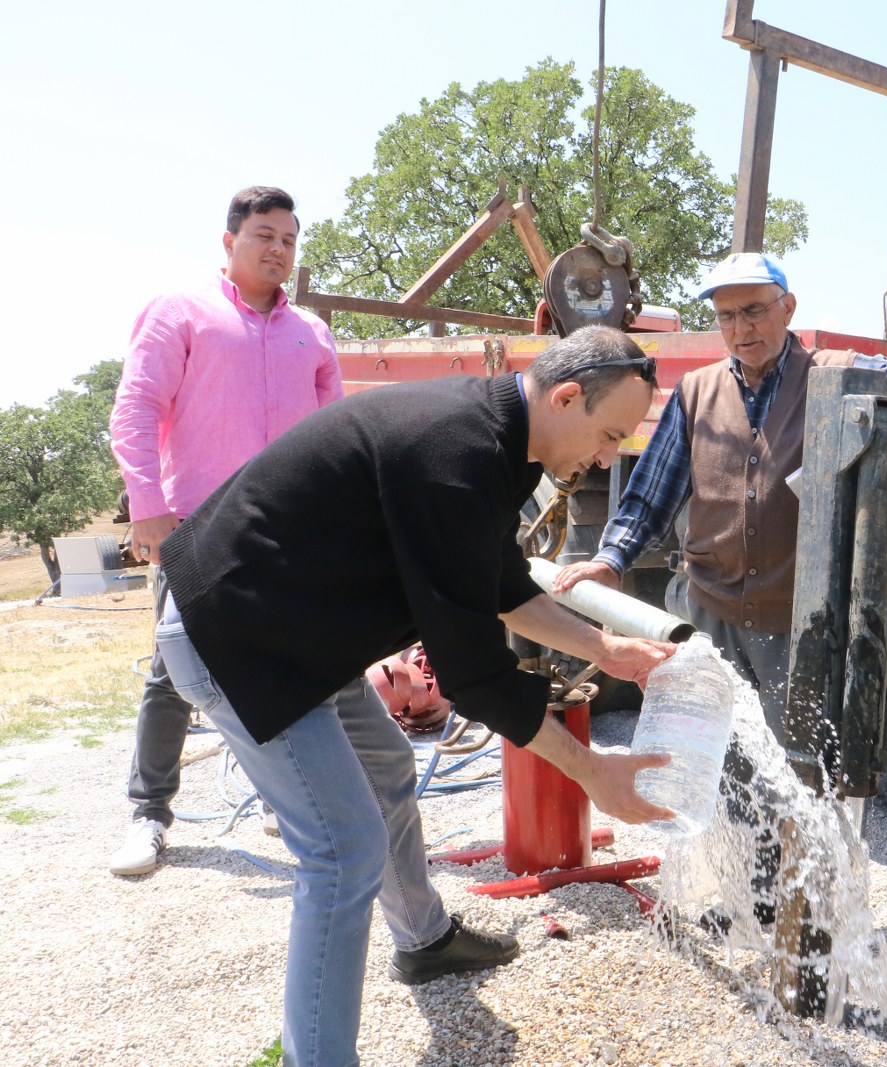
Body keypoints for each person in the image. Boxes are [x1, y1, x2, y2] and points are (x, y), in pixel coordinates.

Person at [153, 325, 676, 1066]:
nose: (604, 458)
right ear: (565, 396)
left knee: (390, 771)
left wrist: (604, 646)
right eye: (607, 435)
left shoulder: (499, 442)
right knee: (341, 851)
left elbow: (499, 584)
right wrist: (593, 773)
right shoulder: (455, 456)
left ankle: (424, 942)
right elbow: (473, 674)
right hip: (238, 637)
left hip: (302, 631)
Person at [552, 252, 887, 731]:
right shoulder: (696, 391)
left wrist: (854, 381)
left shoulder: (830, 374)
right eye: (727, 316)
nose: (741, 328)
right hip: (709, 615)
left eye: (754, 310)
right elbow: (651, 495)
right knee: (717, 754)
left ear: (788, 308)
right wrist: (611, 560)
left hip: (800, 625)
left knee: (799, 767)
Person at [108, 186, 344, 876]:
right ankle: (148, 813)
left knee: (298, 661)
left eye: (290, 240)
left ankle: (286, 797)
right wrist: (146, 505)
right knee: (172, 673)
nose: (278, 249)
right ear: (229, 240)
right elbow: (135, 409)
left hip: (291, 526)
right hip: (198, 523)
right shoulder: (182, 312)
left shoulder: (312, 332)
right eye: (264, 235)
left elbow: (333, 438)